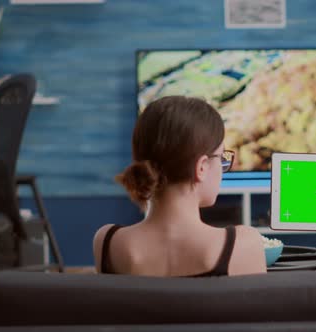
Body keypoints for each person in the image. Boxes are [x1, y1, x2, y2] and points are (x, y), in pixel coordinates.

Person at [93, 96, 266, 277]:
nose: (223, 168)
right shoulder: (242, 245)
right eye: (222, 157)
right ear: (201, 167)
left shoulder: (107, 243)